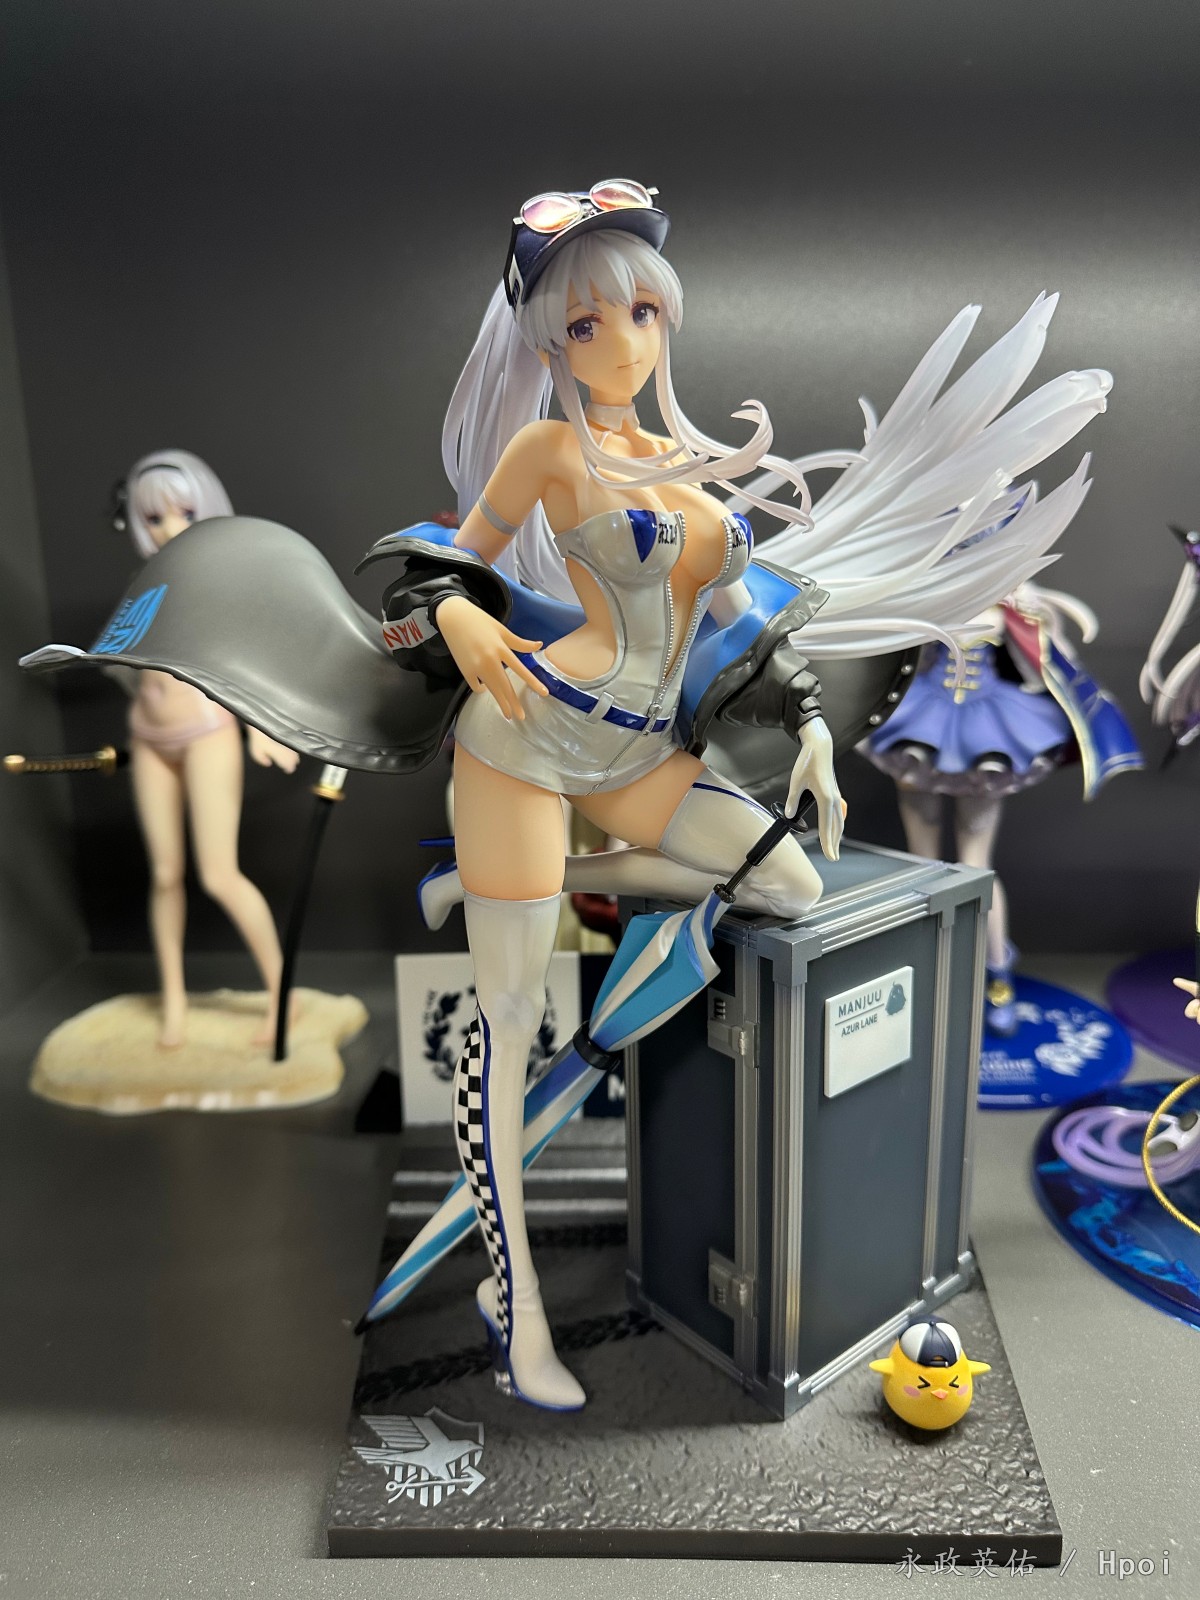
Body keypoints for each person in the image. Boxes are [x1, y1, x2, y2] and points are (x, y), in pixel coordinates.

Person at [24, 183, 1112, 1411]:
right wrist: (456, 619)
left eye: (640, 312)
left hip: (639, 757)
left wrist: (809, 726)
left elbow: (748, 627)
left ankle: (503, 882)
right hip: (527, 739)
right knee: (505, 1027)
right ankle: (516, 1303)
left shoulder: (693, 477)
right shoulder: (548, 452)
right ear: (548, 344)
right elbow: (444, 561)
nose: (620, 343)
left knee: (787, 879)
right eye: (585, 324)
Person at [863, 580, 1142, 1034]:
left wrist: (1030, 621)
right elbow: (901, 658)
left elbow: (1040, 670)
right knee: (920, 865)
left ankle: (997, 974)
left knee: (975, 865)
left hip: (984, 730)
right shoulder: (934, 588)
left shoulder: (1007, 598)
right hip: (922, 722)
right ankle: (927, 970)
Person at [115, 451, 298, 1047]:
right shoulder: (146, 582)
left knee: (218, 873)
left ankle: (281, 992)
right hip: (148, 736)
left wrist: (259, 726)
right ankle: (173, 997)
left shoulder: (218, 578)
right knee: (165, 874)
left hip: (206, 730)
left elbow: (244, 659)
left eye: (185, 513)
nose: (169, 527)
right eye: (155, 518)